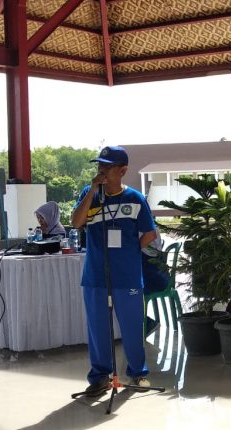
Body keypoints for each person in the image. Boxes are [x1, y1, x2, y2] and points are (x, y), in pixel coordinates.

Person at [72, 146, 158, 397]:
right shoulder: (90, 194)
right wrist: (92, 191)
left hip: (127, 275)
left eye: (107, 166)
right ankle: (100, 377)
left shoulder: (135, 198)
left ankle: (138, 372)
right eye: (100, 165)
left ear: (122, 171)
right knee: (98, 328)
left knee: (132, 327)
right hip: (96, 276)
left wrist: (131, 251)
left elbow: (150, 233)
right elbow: (76, 222)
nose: (101, 170)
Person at [142, 230, 169, 335]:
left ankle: (146, 323)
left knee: (128, 291)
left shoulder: (146, 231)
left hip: (156, 279)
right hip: (155, 277)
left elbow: (151, 235)